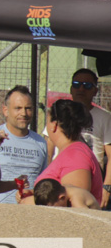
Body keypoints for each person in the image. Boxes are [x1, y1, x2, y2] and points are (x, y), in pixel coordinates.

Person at [46, 69, 111, 209]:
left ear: (95, 90)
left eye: (87, 85)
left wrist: (107, 187)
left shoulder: (105, 118)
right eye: (76, 84)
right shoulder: (61, 111)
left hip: (88, 177)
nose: (81, 89)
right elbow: (48, 150)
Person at [28, 99, 103, 206]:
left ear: (54, 125)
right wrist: (33, 193)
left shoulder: (75, 156)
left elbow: (71, 204)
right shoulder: (71, 152)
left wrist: (29, 202)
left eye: (47, 121)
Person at [0, 85, 48, 204]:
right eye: (18, 108)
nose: (24, 113)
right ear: (5, 110)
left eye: (28, 108)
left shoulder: (41, 143)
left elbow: (43, 183)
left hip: (29, 212)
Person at [32, 178, 99, 209]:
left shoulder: (76, 200)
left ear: (62, 197)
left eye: (54, 208)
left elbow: (86, 219)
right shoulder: (63, 188)